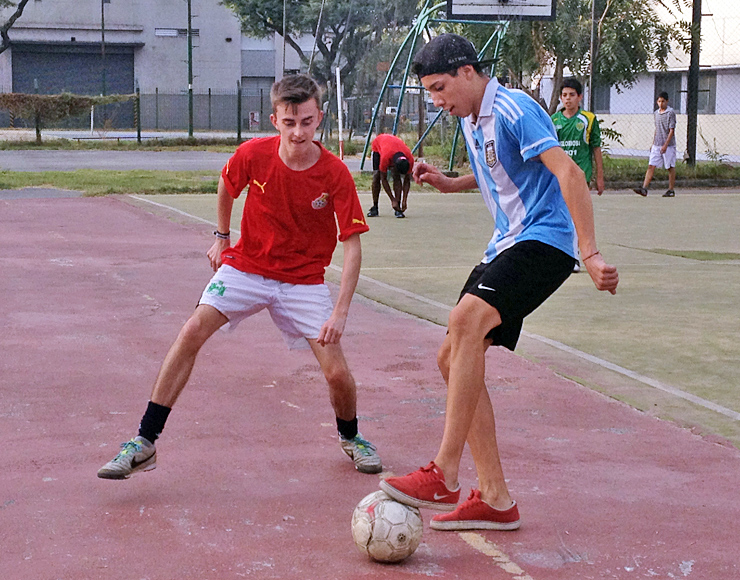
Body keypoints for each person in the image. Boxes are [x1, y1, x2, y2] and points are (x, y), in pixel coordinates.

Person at [379, 34, 619, 531]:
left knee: (466, 321)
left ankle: (444, 472)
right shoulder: (471, 117)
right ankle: (495, 498)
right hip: (506, 243)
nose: (437, 101)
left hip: (548, 240)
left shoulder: (513, 107)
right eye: (430, 93)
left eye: (441, 88)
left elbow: (569, 173)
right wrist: (450, 182)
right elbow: (500, 170)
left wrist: (589, 252)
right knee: (451, 356)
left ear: (468, 72)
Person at [98, 74, 382, 480]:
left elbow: (352, 246)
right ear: (274, 120)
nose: (298, 131)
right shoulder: (253, 155)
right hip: (247, 267)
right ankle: (144, 442)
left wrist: (339, 313)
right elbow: (226, 184)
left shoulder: (334, 174)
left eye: (306, 121)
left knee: (336, 373)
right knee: (192, 330)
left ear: (319, 117)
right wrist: (221, 237)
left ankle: (351, 437)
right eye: (289, 122)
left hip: (304, 280)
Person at [551, 78, 605, 272]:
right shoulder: (554, 121)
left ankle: (574, 257)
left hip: (580, 177)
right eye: (564, 95)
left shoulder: (588, 120)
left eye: (572, 95)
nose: (568, 99)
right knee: (561, 216)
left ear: (580, 97)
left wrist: (599, 176)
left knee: (575, 217)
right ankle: (563, 253)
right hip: (559, 176)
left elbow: (596, 148)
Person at [633, 91, 677, 197]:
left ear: (667, 101)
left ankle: (671, 190)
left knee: (670, 167)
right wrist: (653, 143)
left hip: (668, 146)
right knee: (651, 165)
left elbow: (671, 130)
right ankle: (644, 188)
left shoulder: (670, 113)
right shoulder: (656, 113)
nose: (661, 104)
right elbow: (657, 129)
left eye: (663, 101)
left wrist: (665, 145)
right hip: (657, 144)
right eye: (659, 101)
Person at [367, 133, 414, 218]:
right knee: (377, 176)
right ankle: (375, 207)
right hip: (379, 145)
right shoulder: (385, 157)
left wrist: (404, 200)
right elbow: (383, 179)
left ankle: (398, 208)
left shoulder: (410, 159)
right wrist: (392, 200)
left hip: (394, 147)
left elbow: (407, 180)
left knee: (397, 177)